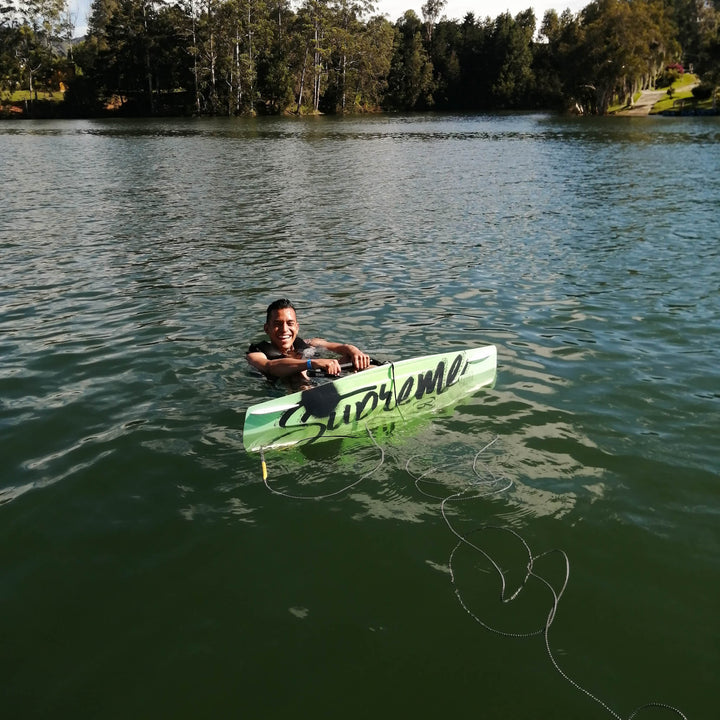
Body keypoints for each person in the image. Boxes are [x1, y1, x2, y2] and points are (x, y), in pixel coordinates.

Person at [247, 298, 371, 384]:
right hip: (288, 389)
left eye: (290, 323)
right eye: (277, 324)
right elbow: (269, 367)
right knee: (297, 374)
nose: (284, 329)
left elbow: (340, 347)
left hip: (320, 380)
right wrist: (312, 363)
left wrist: (355, 352)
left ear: (297, 327)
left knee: (352, 360)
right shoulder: (256, 354)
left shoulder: (308, 343)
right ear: (266, 328)